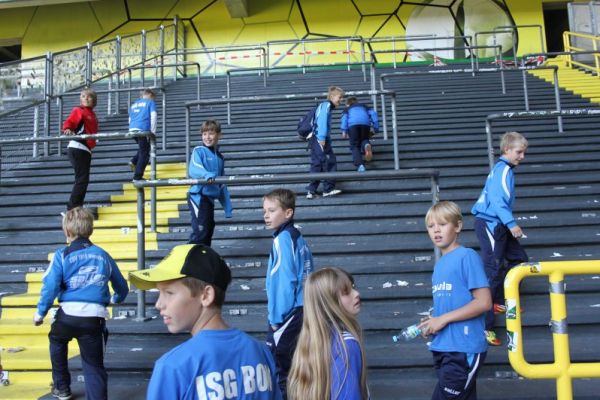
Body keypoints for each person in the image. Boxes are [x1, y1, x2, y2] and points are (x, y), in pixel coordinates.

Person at [129, 244, 282, 400]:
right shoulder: (260, 352)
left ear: (206, 295)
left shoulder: (172, 367)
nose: (158, 304)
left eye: (169, 293)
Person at [34, 207, 129, 400]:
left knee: (57, 340)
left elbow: (50, 286)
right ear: (90, 229)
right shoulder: (103, 255)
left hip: (67, 316)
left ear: (67, 231)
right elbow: (122, 287)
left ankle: (62, 387)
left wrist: (40, 313)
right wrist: (115, 299)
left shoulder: (62, 254)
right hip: (93, 318)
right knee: (94, 365)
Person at [418, 201, 491, 400]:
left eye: (442, 224)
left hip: (463, 348)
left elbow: (483, 302)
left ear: (458, 226)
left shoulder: (467, 256)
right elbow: (452, 303)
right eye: (431, 226)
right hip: (443, 346)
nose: (436, 230)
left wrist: (443, 319)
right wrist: (433, 321)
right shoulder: (439, 265)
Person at [471, 131, 529, 346]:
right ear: (506, 150)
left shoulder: (505, 170)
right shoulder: (503, 170)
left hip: (499, 223)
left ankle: (498, 300)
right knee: (493, 269)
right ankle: (484, 326)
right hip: (491, 223)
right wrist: (511, 223)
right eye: (519, 152)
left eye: (523, 152)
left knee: (519, 259)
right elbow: (497, 201)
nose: (522, 156)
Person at [262, 188, 314, 398]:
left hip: (287, 315)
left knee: (279, 372)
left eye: (272, 210)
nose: (266, 215)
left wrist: (276, 319)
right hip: (302, 309)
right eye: (264, 211)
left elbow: (285, 281)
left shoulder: (282, 240)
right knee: (294, 369)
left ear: (288, 213)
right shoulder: (297, 236)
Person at [288, 267, 369, 400]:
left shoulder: (311, 344)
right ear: (329, 303)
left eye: (353, 287)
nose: (356, 293)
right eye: (346, 292)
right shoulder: (346, 345)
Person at [188, 119, 233, 246]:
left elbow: (221, 184)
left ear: (219, 135)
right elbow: (193, 169)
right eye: (204, 134)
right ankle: (187, 256)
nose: (207, 137)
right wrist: (206, 174)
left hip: (209, 199)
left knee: (209, 229)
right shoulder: (198, 150)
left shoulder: (220, 157)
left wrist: (227, 208)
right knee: (200, 230)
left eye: (211, 133)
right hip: (198, 196)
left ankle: (203, 256)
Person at [62, 88, 98, 211]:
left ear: (94, 100)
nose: (86, 98)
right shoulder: (79, 110)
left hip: (85, 149)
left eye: (89, 96)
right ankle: (72, 209)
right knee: (82, 179)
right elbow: (70, 121)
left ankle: (77, 207)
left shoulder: (92, 114)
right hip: (78, 147)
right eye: (83, 96)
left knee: (83, 180)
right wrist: (67, 128)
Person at [306, 86, 344, 199]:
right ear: (332, 96)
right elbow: (322, 121)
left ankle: (311, 191)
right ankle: (328, 189)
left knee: (317, 164)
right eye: (340, 97)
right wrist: (322, 137)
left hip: (315, 138)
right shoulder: (326, 105)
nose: (341, 100)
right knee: (330, 162)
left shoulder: (324, 105)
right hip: (320, 139)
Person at [340, 96, 379, 172]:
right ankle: (366, 145)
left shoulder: (347, 109)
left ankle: (360, 165)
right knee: (364, 139)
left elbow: (344, 118)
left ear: (348, 104)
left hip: (353, 125)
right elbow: (374, 114)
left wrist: (344, 131)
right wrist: (376, 127)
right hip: (365, 124)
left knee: (354, 145)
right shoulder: (364, 106)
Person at [128, 88, 157, 181]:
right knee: (145, 154)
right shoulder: (150, 102)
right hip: (143, 129)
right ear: (150, 95)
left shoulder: (134, 104)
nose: (153, 99)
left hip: (132, 128)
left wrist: (131, 129)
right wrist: (152, 132)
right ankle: (137, 177)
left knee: (144, 148)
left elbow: (130, 118)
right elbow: (153, 116)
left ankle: (134, 161)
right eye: (153, 97)